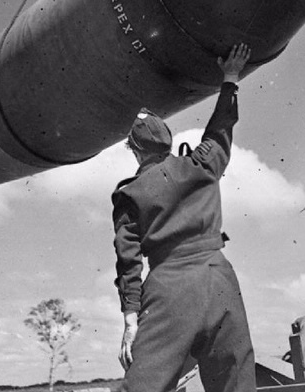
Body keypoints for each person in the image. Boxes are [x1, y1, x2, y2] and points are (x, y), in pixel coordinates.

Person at [112, 43, 256, 392]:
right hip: (219, 278)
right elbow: (220, 129)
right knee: (236, 382)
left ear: (135, 149)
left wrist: (131, 317)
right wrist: (231, 78)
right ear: (167, 141)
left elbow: (128, 262)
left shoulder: (130, 194)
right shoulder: (203, 164)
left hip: (171, 286)